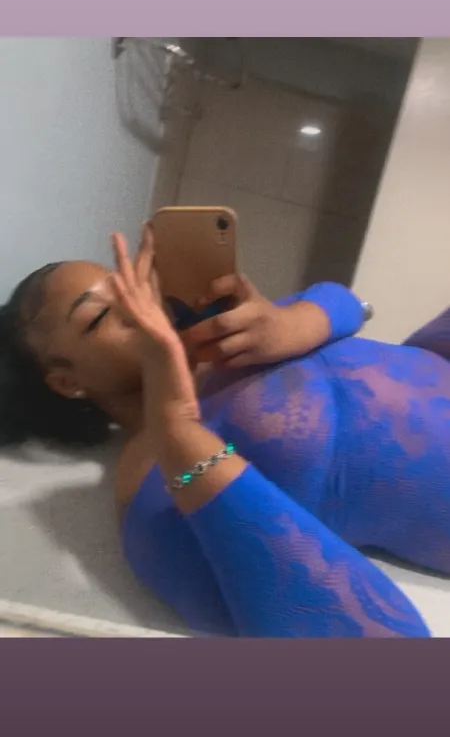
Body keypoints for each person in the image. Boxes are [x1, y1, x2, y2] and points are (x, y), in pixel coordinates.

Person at [1, 227, 449, 638]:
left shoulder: (225, 340)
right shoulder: (154, 480)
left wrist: (294, 323)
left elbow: (345, 301)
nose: (141, 306)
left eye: (128, 285)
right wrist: (179, 427)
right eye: (100, 316)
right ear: (68, 382)